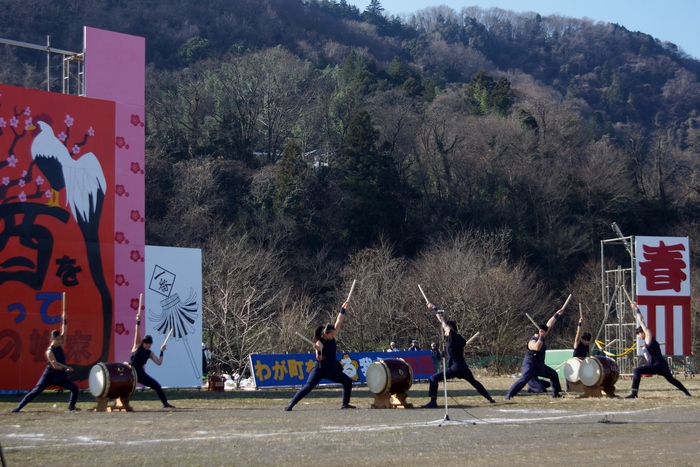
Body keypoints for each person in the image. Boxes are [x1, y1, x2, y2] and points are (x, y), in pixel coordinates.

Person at [421, 302, 495, 407]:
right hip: (462, 367)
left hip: (455, 368)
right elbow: (463, 354)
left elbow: (442, 321)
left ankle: (433, 402)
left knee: (433, 378)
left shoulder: (452, 335)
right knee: (474, 382)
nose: (444, 330)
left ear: (451, 328)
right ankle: (489, 398)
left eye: (446, 329)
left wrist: (434, 309)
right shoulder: (459, 339)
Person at [285, 301, 355, 411]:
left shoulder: (332, 334)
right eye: (331, 333)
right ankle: (291, 404)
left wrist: (343, 309)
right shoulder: (320, 343)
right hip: (320, 368)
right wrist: (318, 351)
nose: (333, 335)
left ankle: (345, 404)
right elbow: (319, 359)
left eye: (333, 333)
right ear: (325, 334)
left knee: (347, 381)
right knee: (308, 387)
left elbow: (339, 321)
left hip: (332, 367)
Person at [12, 306, 79, 412]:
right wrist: (66, 369)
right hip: (50, 375)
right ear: (51, 339)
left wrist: (64, 320)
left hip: (60, 376)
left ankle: (71, 407)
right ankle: (18, 407)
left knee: (75, 389)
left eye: (60, 339)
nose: (59, 341)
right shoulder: (49, 351)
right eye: (57, 339)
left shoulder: (60, 345)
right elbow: (55, 366)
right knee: (35, 391)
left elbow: (64, 332)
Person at [625, 301, 691, 399]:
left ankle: (634, 393)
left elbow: (642, 321)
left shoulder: (648, 336)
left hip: (658, 365)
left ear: (643, 332)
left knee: (637, 371)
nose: (639, 337)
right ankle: (686, 393)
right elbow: (649, 360)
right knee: (671, 379)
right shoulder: (647, 344)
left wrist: (636, 309)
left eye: (639, 334)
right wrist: (645, 350)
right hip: (661, 365)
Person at [505, 307, 565, 401]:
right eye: (544, 333)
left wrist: (556, 314)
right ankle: (509, 395)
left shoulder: (543, 334)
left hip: (540, 366)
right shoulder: (532, 342)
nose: (546, 333)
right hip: (530, 366)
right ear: (539, 333)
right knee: (523, 380)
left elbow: (549, 325)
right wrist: (541, 337)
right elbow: (537, 347)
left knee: (553, 374)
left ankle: (556, 393)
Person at [129, 309, 175, 408]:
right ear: (143, 342)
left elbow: (159, 362)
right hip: (131, 373)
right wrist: (138, 321)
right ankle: (117, 403)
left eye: (149, 344)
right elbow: (137, 332)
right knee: (123, 388)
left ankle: (165, 403)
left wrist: (162, 351)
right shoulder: (137, 345)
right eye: (146, 343)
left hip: (140, 374)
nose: (147, 345)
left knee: (157, 386)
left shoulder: (149, 353)